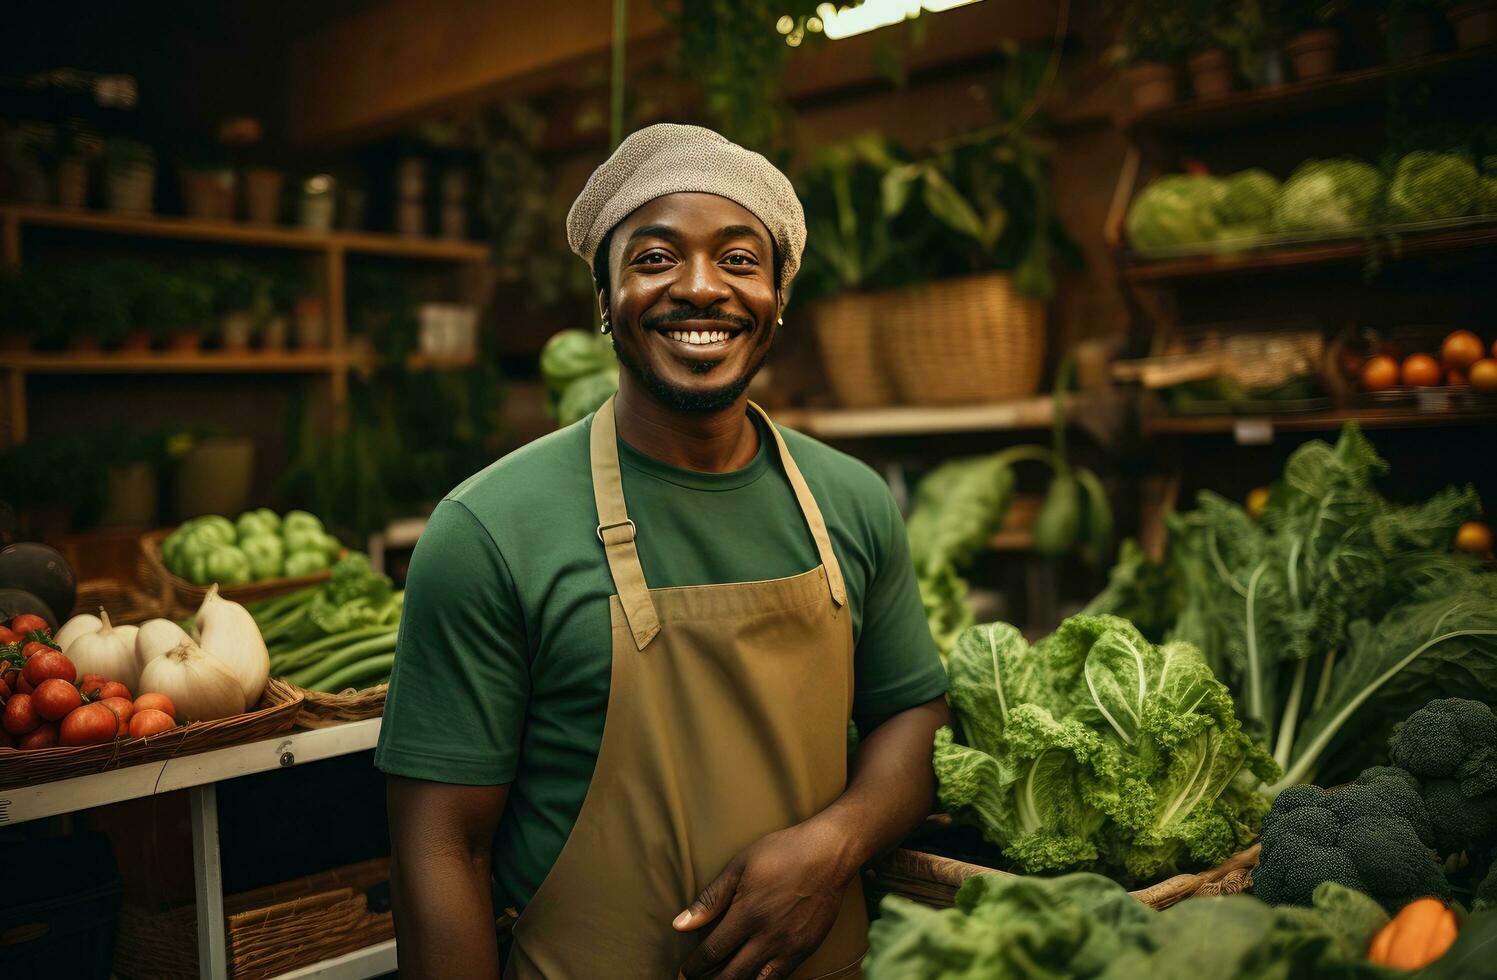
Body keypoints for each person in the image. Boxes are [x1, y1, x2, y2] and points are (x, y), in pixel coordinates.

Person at [377, 123, 950, 980]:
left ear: (777, 297)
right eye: (652, 259)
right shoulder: (488, 530)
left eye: (739, 260)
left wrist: (833, 846)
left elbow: (913, 712)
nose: (699, 288)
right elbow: (442, 850)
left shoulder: (850, 502)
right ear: (603, 299)